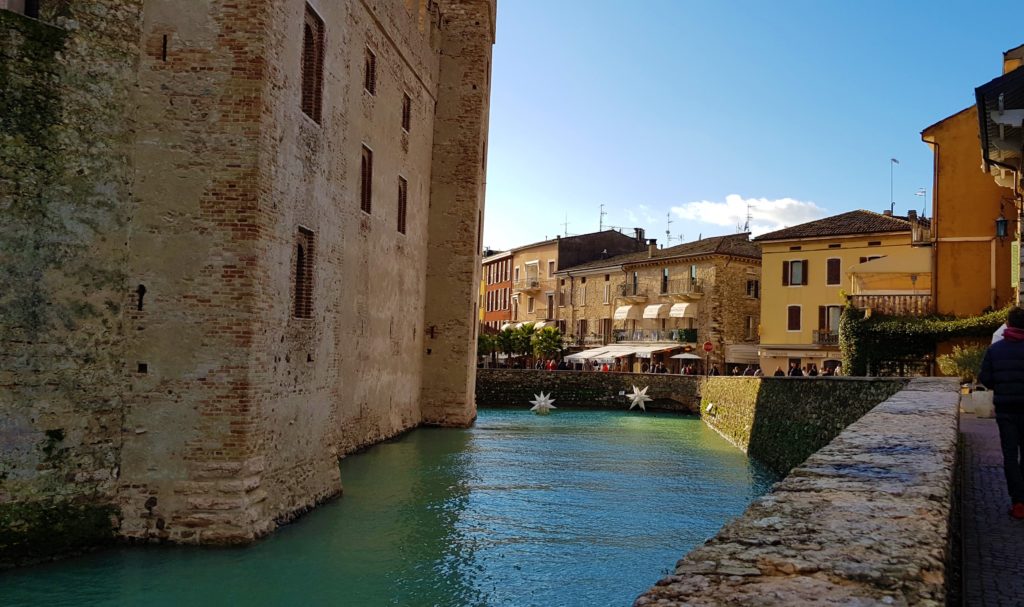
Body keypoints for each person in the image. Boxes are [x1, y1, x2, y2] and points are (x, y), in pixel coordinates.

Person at [979, 306, 1024, 519]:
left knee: (1009, 455)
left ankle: (1018, 503)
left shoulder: (995, 350)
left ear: (1008, 324)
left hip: (1006, 410)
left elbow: (986, 379)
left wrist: (1003, 384)